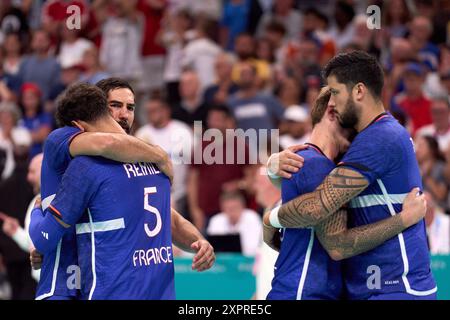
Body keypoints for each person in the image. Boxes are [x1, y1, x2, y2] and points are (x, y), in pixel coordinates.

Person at [264, 51, 436, 300]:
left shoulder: (379, 138)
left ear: (358, 91)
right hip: (367, 289)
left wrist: (272, 219)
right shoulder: (326, 159)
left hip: (396, 288)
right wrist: (272, 167)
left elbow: (320, 213)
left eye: (335, 91)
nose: (332, 101)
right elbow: (308, 191)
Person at [31, 80, 214, 299]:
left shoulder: (140, 158)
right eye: (115, 106)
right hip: (63, 280)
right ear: (98, 109)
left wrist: (198, 241)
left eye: (130, 107)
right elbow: (106, 143)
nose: (124, 114)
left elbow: (167, 217)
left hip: (103, 281)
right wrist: (161, 156)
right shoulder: (65, 139)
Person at [0, 153, 42, 283]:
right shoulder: (36, 201)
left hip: (56, 285)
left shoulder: (58, 201)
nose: (28, 177)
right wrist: (16, 232)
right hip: (41, 283)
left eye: (32, 172)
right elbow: (33, 245)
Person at [206, 191, 261, 256]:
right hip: (222, 260)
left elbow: (254, 247)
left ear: (243, 206)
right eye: (228, 209)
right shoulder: (216, 220)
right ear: (222, 208)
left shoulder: (252, 217)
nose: (232, 212)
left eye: (235, 208)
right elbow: (212, 247)